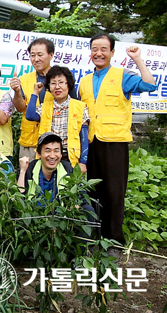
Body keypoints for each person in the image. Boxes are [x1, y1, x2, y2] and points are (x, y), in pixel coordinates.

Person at [78, 33, 157, 252]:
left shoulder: (122, 76)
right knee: (91, 191)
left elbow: (150, 86)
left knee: (114, 192)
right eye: (95, 49)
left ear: (112, 52)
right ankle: (94, 237)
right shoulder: (84, 81)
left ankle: (114, 241)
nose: (98, 53)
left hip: (115, 143)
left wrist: (138, 60)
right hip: (90, 143)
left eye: (104, 49)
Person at [17, 133, 96, 237]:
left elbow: (82, 197)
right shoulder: (30, 169)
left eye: (56, 151)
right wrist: (22, 171)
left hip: (61, 220)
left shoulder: (67, 169)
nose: (52, 156)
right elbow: (18, 199)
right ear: (39, 153)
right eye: (48, 150)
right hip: (35, 221)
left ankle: (75, 251)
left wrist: (74, 206)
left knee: (88, 210)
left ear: (60, 154)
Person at [25, 65, 89, 172]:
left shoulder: (80, 107)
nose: (57, 87)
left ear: (68, 85)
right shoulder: (45, 106)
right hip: (48, 157)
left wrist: (83, 162)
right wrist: (35, 92)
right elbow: (30, 115)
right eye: (53, 83)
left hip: (70, 157)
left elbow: (84, 136)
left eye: (61, 82)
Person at [11, 38, 56, 161]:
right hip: (29, 141)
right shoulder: (24, 79)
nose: (36, 59)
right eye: (32, 55)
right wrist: (16, 91)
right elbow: (20, 109)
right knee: (26, 177)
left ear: (51, 55)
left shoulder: (60, 78)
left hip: (53, 140)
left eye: (40, 55)